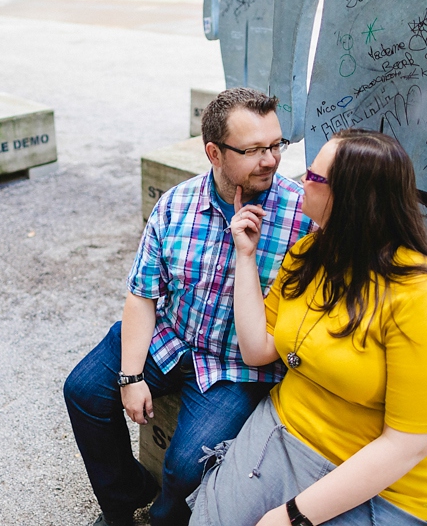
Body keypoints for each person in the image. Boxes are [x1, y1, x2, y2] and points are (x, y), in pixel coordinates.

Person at [188, 129, 427, 526]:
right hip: (286, 431)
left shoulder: (423, 293)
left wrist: (294, 515)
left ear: (348, 198)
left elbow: (409, 444)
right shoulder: (308, 252)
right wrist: (244, 255)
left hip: (390, 486)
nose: (300, 182)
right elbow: (258, 349)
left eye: (312, 178)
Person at [63, 88, 313, 526]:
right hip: (172, 335)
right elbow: (143, 293)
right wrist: (131, 375)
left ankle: (163, 517)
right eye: (254, 149)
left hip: (236, 365)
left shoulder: (301, 216)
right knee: (82, 391)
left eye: (276, 145)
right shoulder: (176, 205)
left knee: (184, 468)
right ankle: (123, 500)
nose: (271, 160)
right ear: (214, 152)